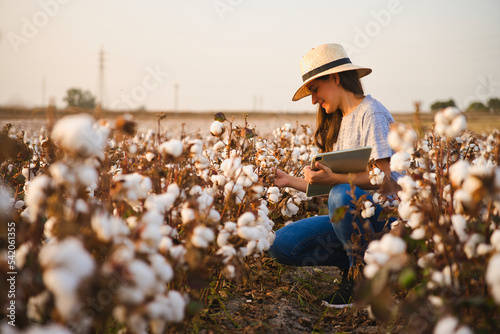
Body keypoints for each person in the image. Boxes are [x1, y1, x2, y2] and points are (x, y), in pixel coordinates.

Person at [268, 43, 400, 308]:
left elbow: (385, 180)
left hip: (387, 220)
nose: (314, 99)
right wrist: (288, 181)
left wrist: (336, 181)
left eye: (315, 90)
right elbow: (337, 189)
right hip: (354, 219)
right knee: (281, 244)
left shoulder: (371, 114)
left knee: (341, 194)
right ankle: (366, 266)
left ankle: (360, 280)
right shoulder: (339, 121)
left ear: (335, 78)